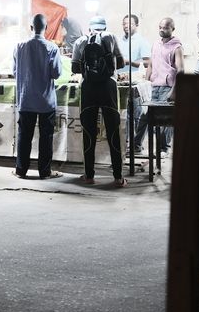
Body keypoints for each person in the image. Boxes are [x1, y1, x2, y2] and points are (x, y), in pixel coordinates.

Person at [71, 15, 127, 187]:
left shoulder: (81, 41)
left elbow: (74, 67)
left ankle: (89, 176)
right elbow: (121, 63)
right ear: (105, 26)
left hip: (88, 88)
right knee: (113, 131)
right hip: (108, 87)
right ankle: (118, 177)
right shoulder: (111, 37)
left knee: (88, 132)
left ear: (90, 28)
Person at [13, 13, 63, 179]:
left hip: (25, 99)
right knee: (46, 137)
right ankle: (44, 171)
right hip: (45, 101)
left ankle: (21, 170)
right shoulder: (52, 48)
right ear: (46, 28)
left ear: (31, 27)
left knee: (24, 136)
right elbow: (56, 73)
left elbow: (15, 72)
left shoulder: (19, 46)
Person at [145, 17, 184, 154]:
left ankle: (164, 148)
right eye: (160, 27)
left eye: (166, 27)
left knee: (166, 120)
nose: (162, 29)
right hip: (154, 85)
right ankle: (150, 148)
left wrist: (174, 90)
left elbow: (181, 70)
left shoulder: (177, 47)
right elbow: (150, 64)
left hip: (167, 87)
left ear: (173, 29)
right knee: (150, 119)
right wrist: (146, 82)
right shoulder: (156, 44)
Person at [116, 14, 151, 154]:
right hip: (120, 81)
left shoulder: (141, 41)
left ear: (136, 25)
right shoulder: (119, 41)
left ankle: (135, 144)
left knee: (135, 114)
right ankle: (124, 142)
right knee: (122, 114)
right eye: (124, 23)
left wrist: (129, 62)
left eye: (129, 24)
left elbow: (148, 62)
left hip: (135, 82)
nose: (126, 26)